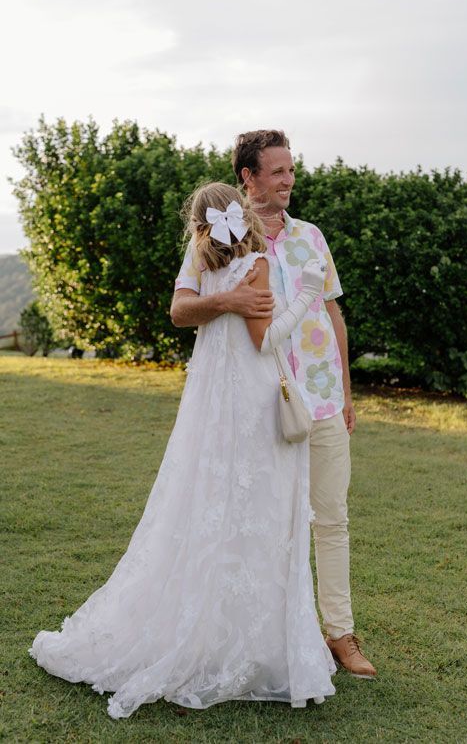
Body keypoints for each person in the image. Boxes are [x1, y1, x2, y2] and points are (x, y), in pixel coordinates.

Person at [30, 182, 336, 717]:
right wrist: (308, 295)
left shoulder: (200, 259)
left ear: (198, 225)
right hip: (253, 405)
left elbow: (187, 312)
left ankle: (211, 634)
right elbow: (266, 339)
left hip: (212, 408)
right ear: (243, 216)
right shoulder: (255, 266)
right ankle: (251, 647)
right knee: (259, 513)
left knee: (206, 508)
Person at [171, 130, 377, 679]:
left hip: (325, 399)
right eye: (278, 171)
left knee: (331, 518)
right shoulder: (223, 240)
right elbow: (182, 309)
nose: (289, 180)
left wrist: (347, 392)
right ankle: (284, 637)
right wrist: (228, 300)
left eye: (292, 169)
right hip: (260, 403)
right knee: (269, 524)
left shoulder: (313, 235)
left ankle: (341, 634)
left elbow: (333, 314)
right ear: (249, 177)